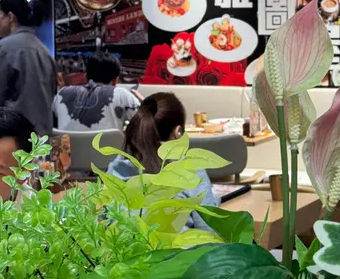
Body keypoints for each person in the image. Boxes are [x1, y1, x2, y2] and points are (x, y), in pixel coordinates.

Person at [108, 92, 218, 231]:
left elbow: (107, 219)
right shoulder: (189, 169)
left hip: (126, 245)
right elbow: (210, 231)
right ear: (178, 132)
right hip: (177, 245)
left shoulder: (116, 168)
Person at [0, 0, 56, 138]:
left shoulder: (5, 47)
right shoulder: (44, 50)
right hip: (43, 140)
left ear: (10, 17)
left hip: (15, 138)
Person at [53, 52, 140, 132]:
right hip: (107, 144)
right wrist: (146, 103)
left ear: (86, 77)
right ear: (115, 80)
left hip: (69, 144)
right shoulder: (122, 94)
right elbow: (145, 123)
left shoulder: (62, 94)